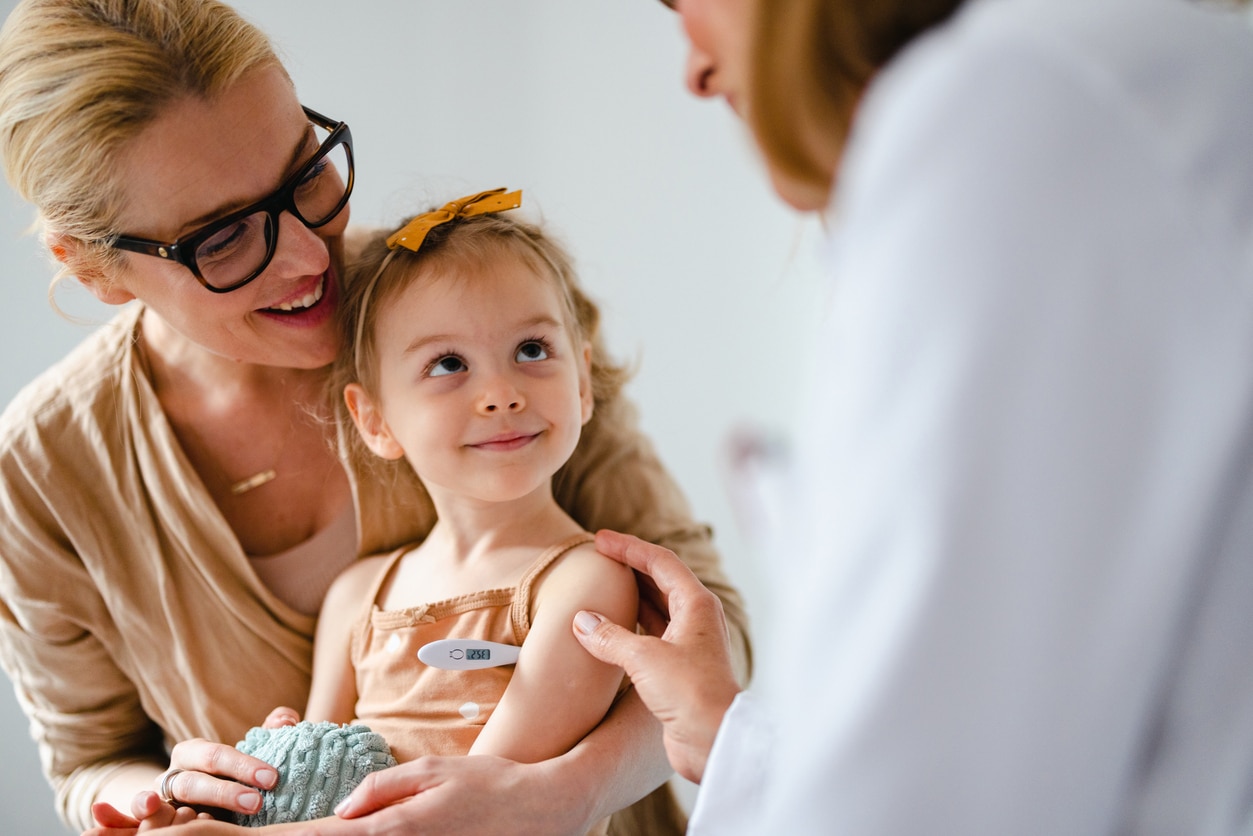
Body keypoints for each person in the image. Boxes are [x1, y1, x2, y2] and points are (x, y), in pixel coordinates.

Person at [0, 1, 751, 833]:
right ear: (95, 267)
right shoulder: (41, 469)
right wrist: (159, 794)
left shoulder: (475, 307)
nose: (309, 255)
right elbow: (86, 760)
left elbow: (708, 635)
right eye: (222, 239)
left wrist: (564, 792)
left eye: (306, 173)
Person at [564, 0, 1253, 833]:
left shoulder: (1017, 106)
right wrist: (733, 739)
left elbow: (923, 798)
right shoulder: (1127, 82)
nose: (694, 70)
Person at [90, 188, 643, 835]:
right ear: (374, 420)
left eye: (531, 350)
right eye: (448, 364)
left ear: (581, 384)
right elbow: (311, 798)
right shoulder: (357, 597)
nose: (500, 394)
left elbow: (478, 812)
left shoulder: (586, 584)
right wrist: (253, 789)